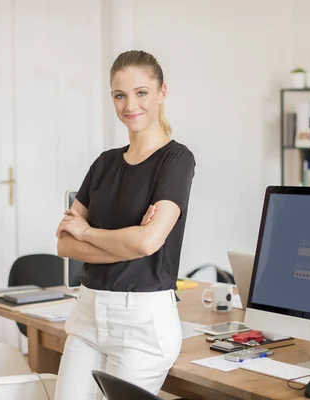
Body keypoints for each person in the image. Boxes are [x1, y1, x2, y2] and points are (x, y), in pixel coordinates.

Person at [53, 50, 196, 399]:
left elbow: (148, 243)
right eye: (120, 95)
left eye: (141, 92)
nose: (130, 104)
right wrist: (126, 242)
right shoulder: (104, 164)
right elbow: (64, 246)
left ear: (162, 92)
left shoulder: (176, 160)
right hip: (88, 315)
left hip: (142, 323)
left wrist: (87, 233)